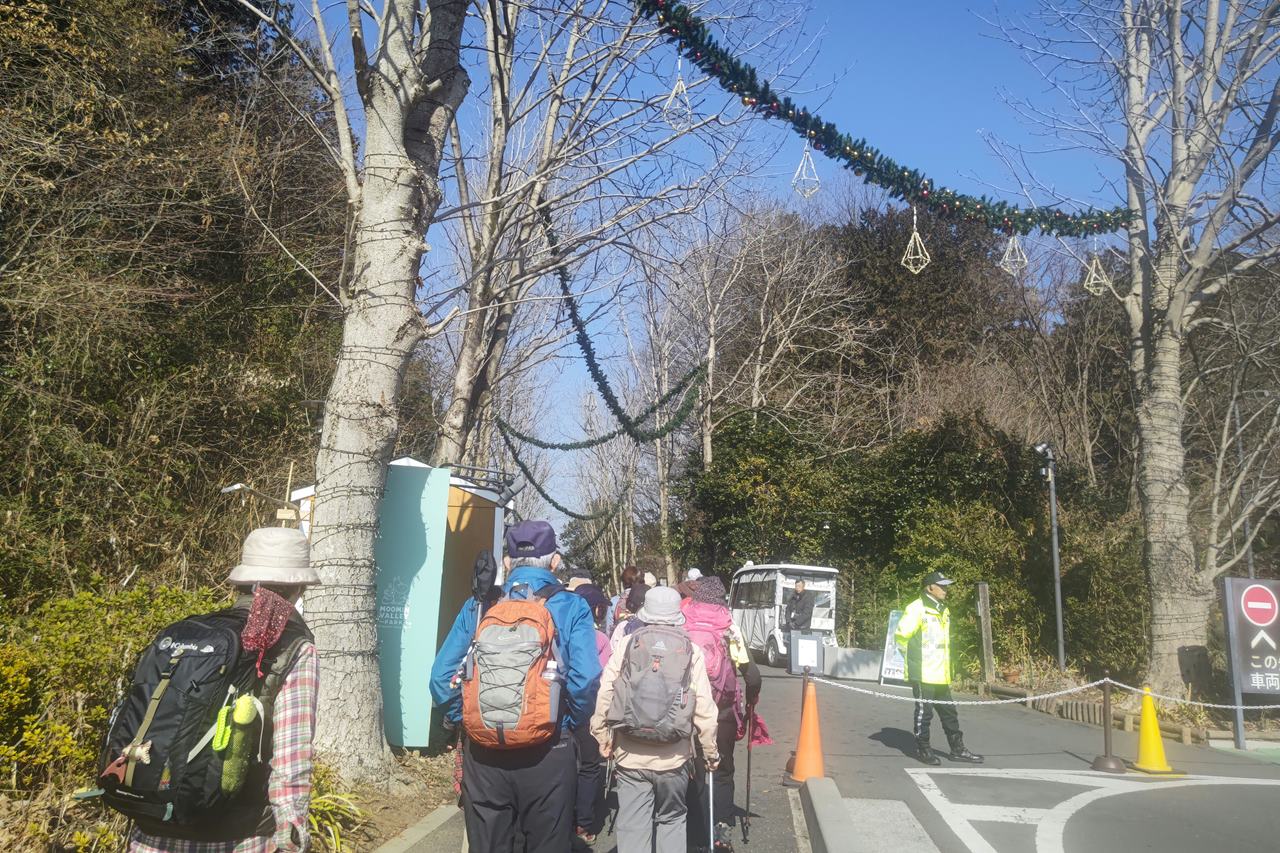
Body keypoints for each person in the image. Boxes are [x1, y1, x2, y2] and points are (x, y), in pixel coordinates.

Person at [126, 527, 320, 853]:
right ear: (298, 588)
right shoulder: (296, 649)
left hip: (152, 831)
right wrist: (292, 834)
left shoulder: (187, 634)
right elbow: (291, 759)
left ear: (241, 583)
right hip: (237, 836)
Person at [429, 520, 602, 853]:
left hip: (484, 752)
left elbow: (440, 677)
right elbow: (585, 680)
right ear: (555, 562)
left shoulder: (480, 605)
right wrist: (567, 722)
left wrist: (468, 717)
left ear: (507, 562)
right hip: (549, 750)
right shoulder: (571, 606)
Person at [591, 587, 720, 853]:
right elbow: (705, 708)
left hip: (630, 753)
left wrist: (601, 734)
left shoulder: (628, 644)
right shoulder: (691, 650)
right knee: (671, 820)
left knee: (633, 824)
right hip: (674, 756)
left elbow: (606, 690)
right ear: (677, 616)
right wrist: (710, 753)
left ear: (645, 614)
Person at [683, 576, 762, 852]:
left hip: (687, 711)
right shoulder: (729, 628)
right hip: (722, 711)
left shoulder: (683, 623)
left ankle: (696, 830)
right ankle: (721, 828)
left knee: (693, 769)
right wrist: (751, 701)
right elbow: (752, 676)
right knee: (722, 770)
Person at [894, 571, 983, 766]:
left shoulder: (943, 609)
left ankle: (957, 749)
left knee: (949, 713)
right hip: (923, 673)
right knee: (924, 714)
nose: (945, 589)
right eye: (942, 586)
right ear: (930, 587)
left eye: (946, 586)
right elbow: (900, 637)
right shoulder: (916, 608)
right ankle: (923, 748)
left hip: (941, 673)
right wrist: (914, 662)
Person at [571, 569, 613, 843]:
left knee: (563, 767)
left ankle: (561, 819)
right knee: (589, 767)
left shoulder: (562, 631)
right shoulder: (600, 640)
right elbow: (607, 679)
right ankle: (583, 825)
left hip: (560, 709)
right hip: (590, 708)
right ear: (596, 610)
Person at [606, 565, 641, 635]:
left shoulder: (614, 600)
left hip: (619, 639)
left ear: (623, 582)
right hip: (638, 638)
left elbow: (608, 628)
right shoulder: (644, 599)